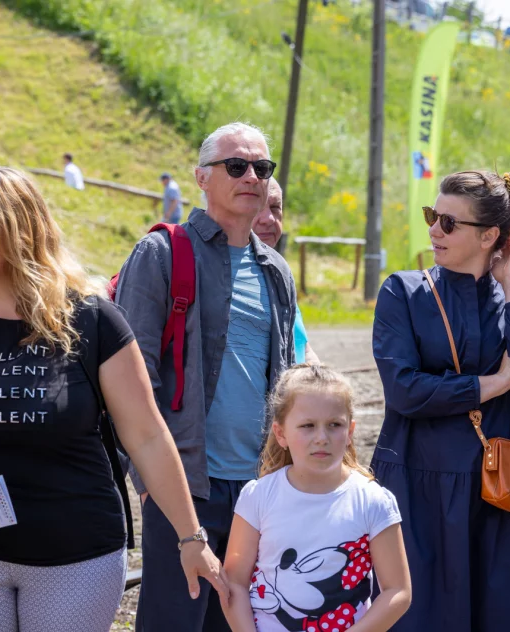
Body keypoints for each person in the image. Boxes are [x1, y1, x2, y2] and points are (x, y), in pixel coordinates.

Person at [0, 167, 227, 632]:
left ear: (17, 229)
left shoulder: (92, 320)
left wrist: (191, 538)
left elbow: (147, 437)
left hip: (77, 558)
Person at [115, 121, 296, 632]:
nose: (251, 177)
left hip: (258, 492)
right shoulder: (161, 253)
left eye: (261, 167)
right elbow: (129, 380)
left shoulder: (276, 270)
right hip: (184, 488)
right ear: (201, 177)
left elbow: (284, 382)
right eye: (236, 166)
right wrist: (148, 484)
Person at [371, 169, 510, 631]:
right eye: (432, 216)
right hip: (420, 483)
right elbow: (405, 390)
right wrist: (494, 384)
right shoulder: (404, 292)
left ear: (489, 236)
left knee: (501, 614)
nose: (434, 230)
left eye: (449, 223)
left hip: (502, 486)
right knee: (424, 616)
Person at [223, 364, 412, 631]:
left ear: (350, 432)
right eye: (307, 426)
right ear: (281, 433)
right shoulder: (258, 497)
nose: (321, 437)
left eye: (334, 425)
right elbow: (235, 584)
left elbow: (398, 591)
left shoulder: (373, 501)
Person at [253, 177, 319, 364]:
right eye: (257, 208)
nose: (269, 219)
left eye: (275, 208)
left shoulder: (278, 273)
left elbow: (303, 348)